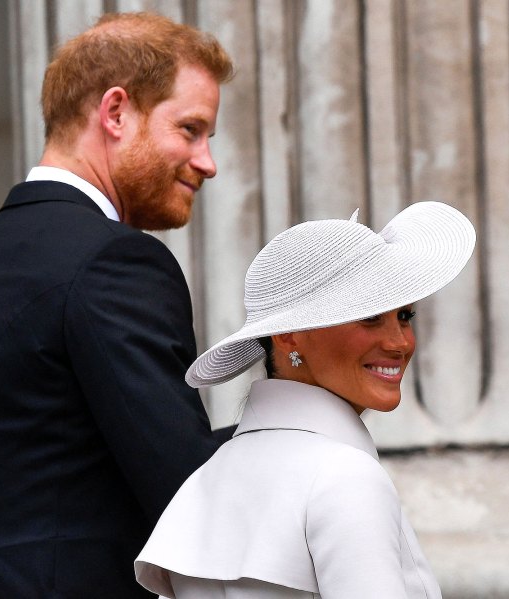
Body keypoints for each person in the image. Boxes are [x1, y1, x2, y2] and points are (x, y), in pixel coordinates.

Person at [0, 12, 234, 598]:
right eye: (190, 129)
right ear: (115, 113)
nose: (207, 161)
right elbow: (187, 488)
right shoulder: (117, 262)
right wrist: (300, 410)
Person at [136, 202, 476, 598]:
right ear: (289, 335)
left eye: (405, 316)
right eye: (369, 317)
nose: (400, 342)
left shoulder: (207, 478)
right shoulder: (344, 476)